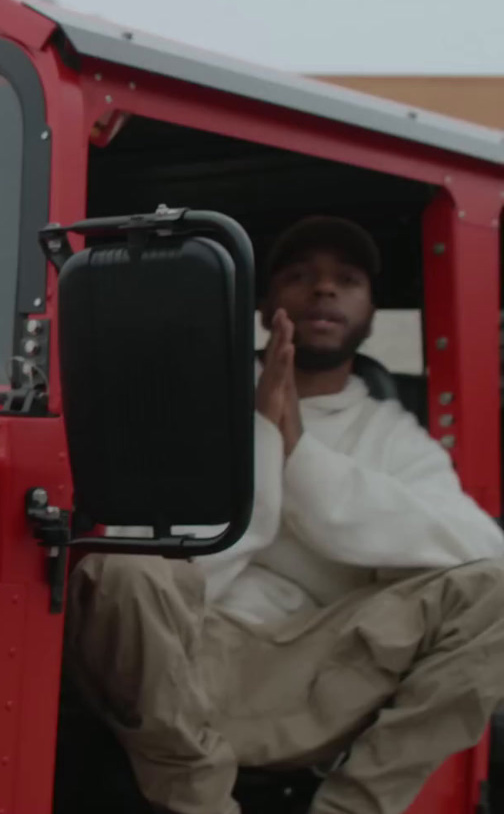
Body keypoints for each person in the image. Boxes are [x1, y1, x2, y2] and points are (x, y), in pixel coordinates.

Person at [66, 215, 504, 814]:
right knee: (124, 570)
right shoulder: (194, 400)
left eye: (346, 279)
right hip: (180, 670)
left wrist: (302, 458)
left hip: (316, 676)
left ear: (372, 312)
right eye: (299, 276)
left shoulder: (392, 435)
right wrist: (264, 440)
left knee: (495, 593)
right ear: (264, 301)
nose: (323, 290)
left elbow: (483, 549)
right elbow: (141, 572)